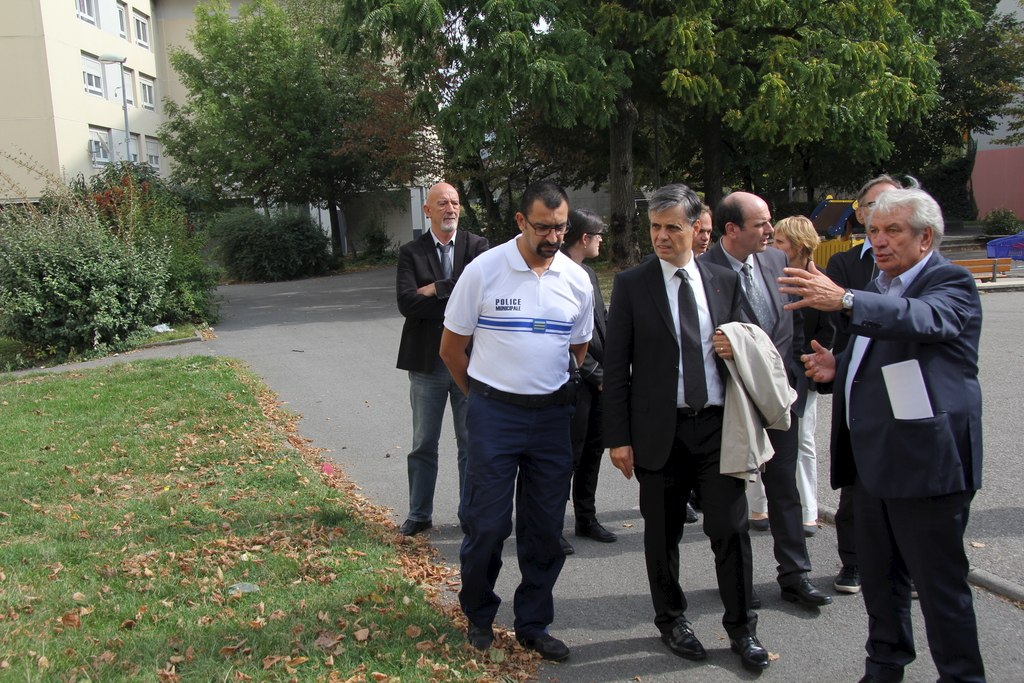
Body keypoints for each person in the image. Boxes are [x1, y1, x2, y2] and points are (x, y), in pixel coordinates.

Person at [780, 188, 985, 683]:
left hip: (927, 466)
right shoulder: (883, 285)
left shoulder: (950, 281)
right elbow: (890, 356)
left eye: (893, 231)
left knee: (940, 589)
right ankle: (884, 669)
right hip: (875, 465)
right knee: (880, 583)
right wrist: (840, 363)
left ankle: (961, 676)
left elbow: (926, 322)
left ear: (925, 237)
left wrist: (847, 299)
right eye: (874, 231)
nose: (880, 241)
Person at [603, 183, 770, 672]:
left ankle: (742, 628)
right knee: (663, 533)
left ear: (697, 228)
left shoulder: (722, 279)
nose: (661, 236)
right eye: (654, 227)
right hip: (659, 433)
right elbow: (617, 370)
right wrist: (618, 438)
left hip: (718, 428)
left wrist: (735, 346)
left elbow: (754, 344)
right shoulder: (633, 285)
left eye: (671, 227)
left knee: (729, 528)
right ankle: (671, 619)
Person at [439, 180, 593, 662]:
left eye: (561, 227)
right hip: (494, 414)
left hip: (551, 418)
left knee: (546, 527)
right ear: (521, 221)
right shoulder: (484, 271)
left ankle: (533, 623)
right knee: (486, 524)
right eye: (543, 227)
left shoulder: (577, 280)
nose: (553, 236)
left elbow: (579, 346)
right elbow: (450, 348)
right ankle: (479, 616)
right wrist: (482, 400)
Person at [703, 192, 832, 609]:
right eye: (761, 224)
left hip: (781, 399)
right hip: (733, 404)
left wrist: (794, 377)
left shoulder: (778, 262)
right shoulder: (703, 273)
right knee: (733, 500)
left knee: (785, 489)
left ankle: (795, 575)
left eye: (770, 222)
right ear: (732, 229)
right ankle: (740, 586)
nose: (770, 231)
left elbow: (788, 326)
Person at [823, 174, 907, 593]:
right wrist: (837, 365)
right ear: (860, 216)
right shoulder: (846, 263)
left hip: (907, 392)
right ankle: (853, 562)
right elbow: (844, 326)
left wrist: (849, 300)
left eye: (894, 221)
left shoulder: (936, 278)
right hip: (858, 386)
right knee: (856, 482)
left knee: (904, 478)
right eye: (875, 220)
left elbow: (917, 321)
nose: (883, 232)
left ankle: (903, 564)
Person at [395, 182, 489, 536]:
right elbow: (407, 303)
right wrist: (459, 290)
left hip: (470, 360)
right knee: (423, 443)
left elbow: (482, 293)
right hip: (427, 363)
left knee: (471, 443)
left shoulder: (477, 246)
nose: (450, 208)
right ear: (427, 210)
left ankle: (471, 514)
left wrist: (436, 288)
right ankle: (419, 515)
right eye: (442, 203)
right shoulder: (410, 252)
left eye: (455, 202)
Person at [560, 209, 617, 552]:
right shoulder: (560, 274)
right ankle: (550, 525)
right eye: (598, 235)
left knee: (594, 449)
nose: (601, 240)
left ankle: (586, 518)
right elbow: (567, 334)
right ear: (584, 238)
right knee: (568, 455)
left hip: (601, 380)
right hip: (574, 381)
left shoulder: (590, 274)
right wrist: (596, 374)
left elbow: (602, 322)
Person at [769, 217, 829, 537]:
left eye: (780, 241)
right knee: (768, 440)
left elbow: (828, 331)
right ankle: (761, 506)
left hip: (806, 370)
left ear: (800, 245)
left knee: (804, 439)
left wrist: (812, 368)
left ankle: (808, 511)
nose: (773, 246)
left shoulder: (820, 282)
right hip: (773, 371)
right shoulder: (771, 279)